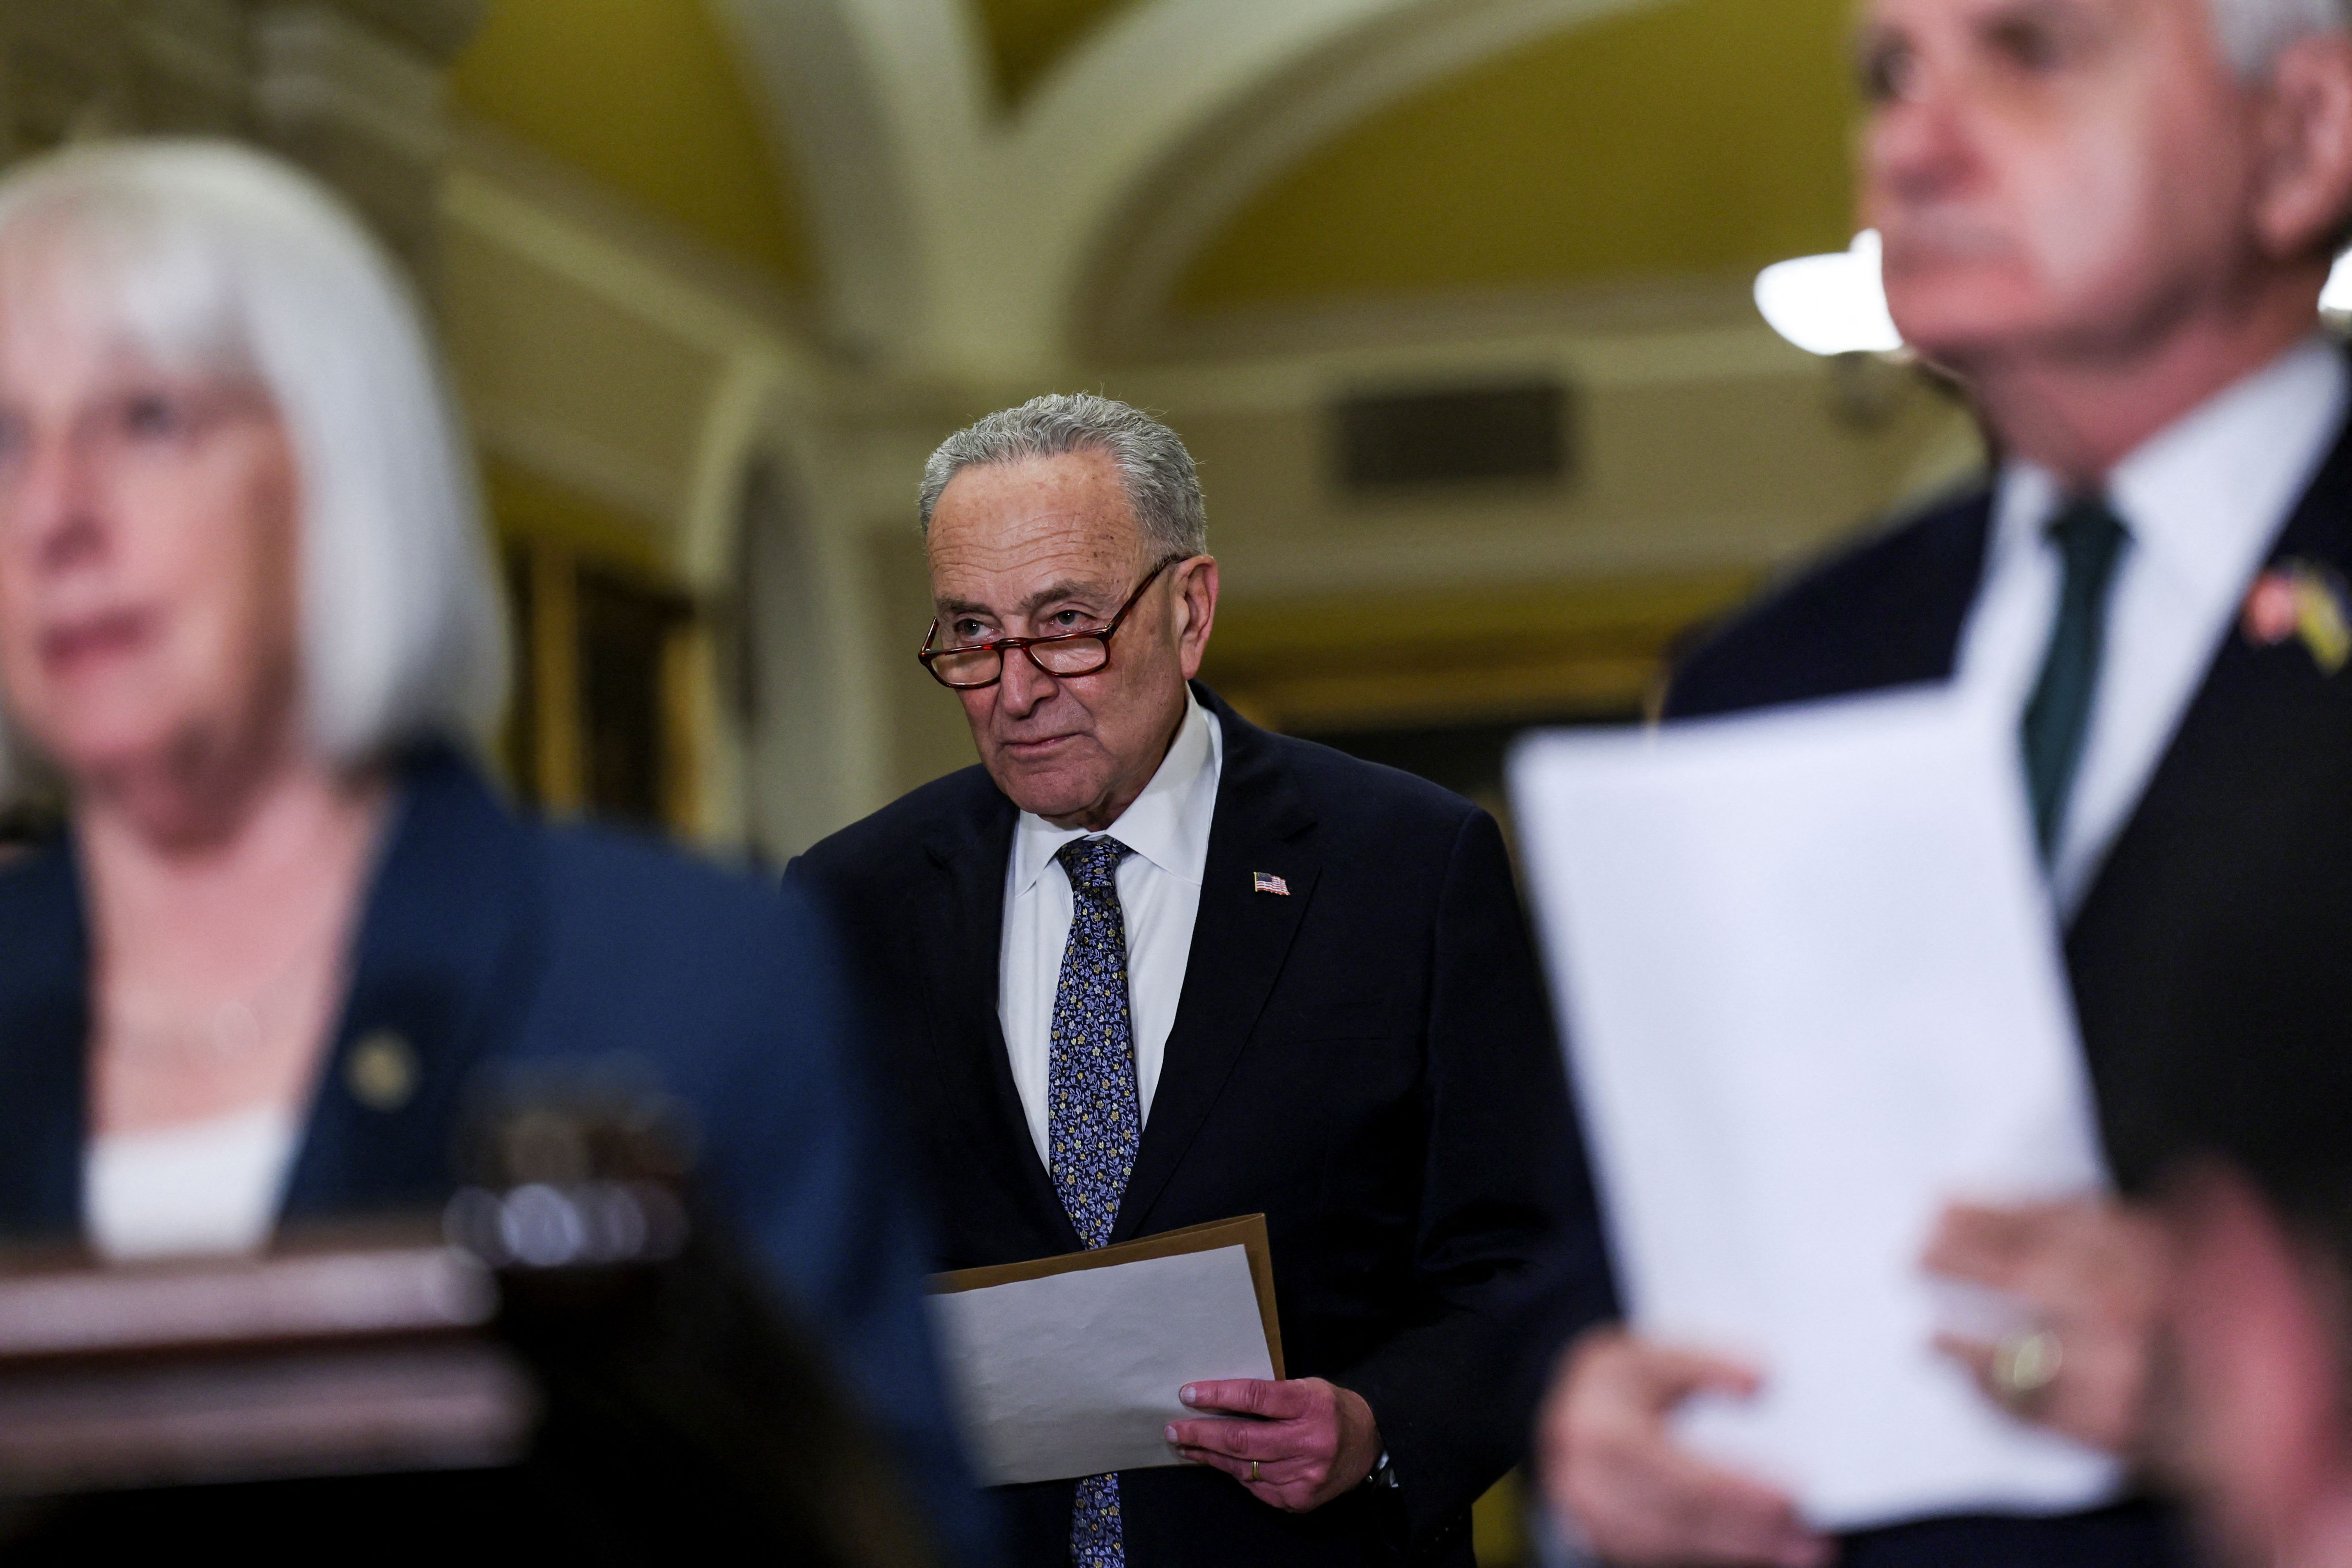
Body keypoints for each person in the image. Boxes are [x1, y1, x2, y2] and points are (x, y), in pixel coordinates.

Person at [0, 138, 987, 1562]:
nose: (54, 515)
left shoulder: (686, 977)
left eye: (147, 419)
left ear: (343, 474)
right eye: (4, 439)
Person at [1535, 0, 2352, 1564]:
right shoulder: (1756, 676)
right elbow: (1597, 1220)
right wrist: (1589, 1405)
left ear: (2303, 132)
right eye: (1885, 75)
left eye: (2031, 51)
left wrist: (2274, 1350)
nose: (1909, 142)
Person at [787, 393, 1611, 1568]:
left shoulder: (1402, 867)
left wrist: (1376, 1425)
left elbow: (1523, 1256)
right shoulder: (850, 899)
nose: (1014, 691)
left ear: (1189, 610)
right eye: (970, 633)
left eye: (1065, 622)